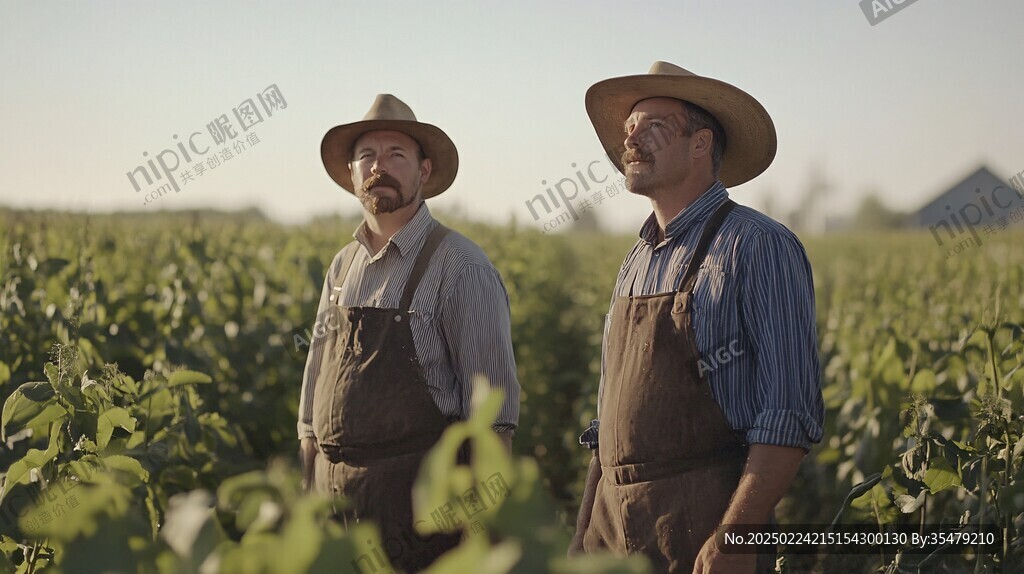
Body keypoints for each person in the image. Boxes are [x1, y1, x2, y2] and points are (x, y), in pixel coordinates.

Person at [569, 62, 825, 574]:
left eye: (653, 126)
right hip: (610, 536)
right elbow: (608, 427)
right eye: (629, 127)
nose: (630, 139)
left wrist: (735, 537)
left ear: (700, 144)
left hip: (702, 532)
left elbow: (788, 414)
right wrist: (582, 536)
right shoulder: (635, 261)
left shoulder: (758, 246)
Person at [297, 94, 520, 571]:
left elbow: (494, 424)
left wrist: (480, 541)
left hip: (419, 524)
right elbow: (313, 393)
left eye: (396, 155)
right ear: (352, 174)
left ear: (424, 170)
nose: (380, 167)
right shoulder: (342, 266)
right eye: (367, 156)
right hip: (336, 516)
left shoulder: (461, 267)